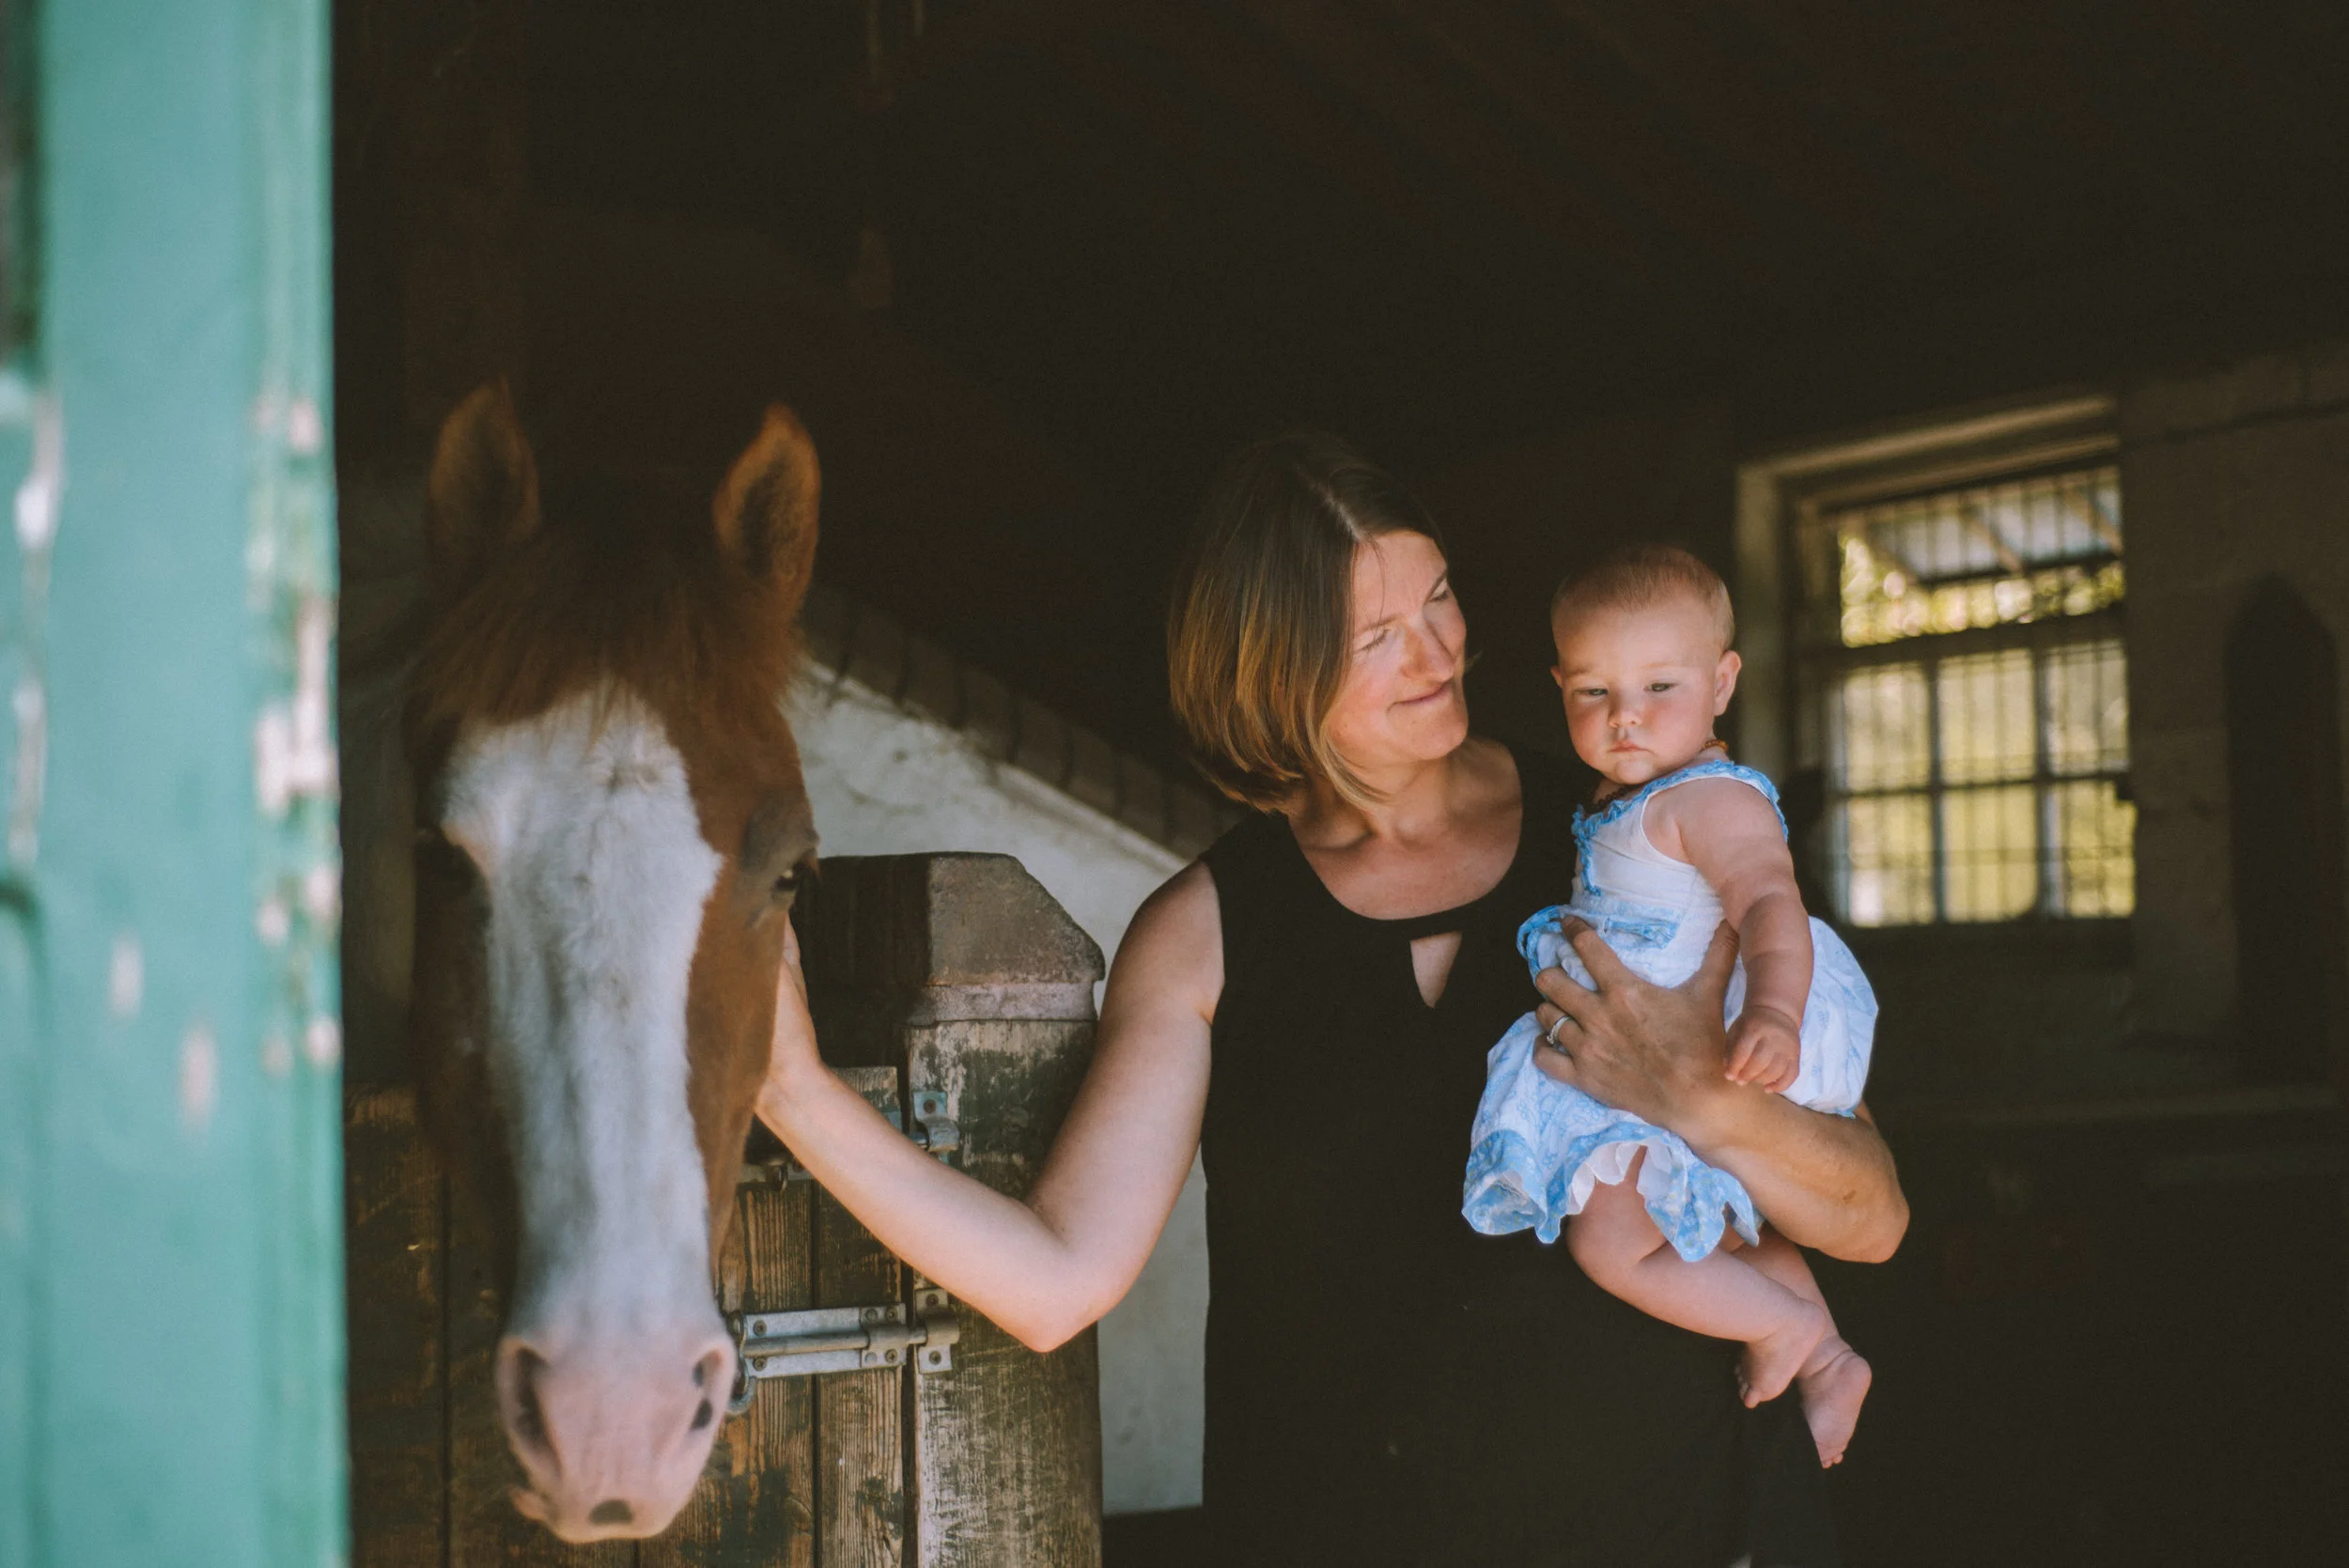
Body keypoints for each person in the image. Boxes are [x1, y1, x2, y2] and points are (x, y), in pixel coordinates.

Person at [755, 435, 1908, 1565]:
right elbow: (1057, 1279)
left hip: (1700, 1528)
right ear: (1273, 672)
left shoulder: (1631, 836)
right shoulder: (1206, 930)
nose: (1440, 650)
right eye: (1377, 637)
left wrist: (1701, 1098)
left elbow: (1871, 1217)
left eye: (1440, 597)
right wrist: (798, 1093)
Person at [1464, 544, 1875, 1467]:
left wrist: (1772, 1008)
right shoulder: (1627, 793)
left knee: (1611, 1245)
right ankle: (1833, 1354)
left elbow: (1772, 901)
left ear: (1722, 681)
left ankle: (1788, 1332)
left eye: (1658, 686)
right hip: (1632, 1044)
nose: (1624, 719)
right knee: (1719, 1230)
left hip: (1680, 1046)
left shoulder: (1711, 799)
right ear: (1558, 686)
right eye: (1592, 693)